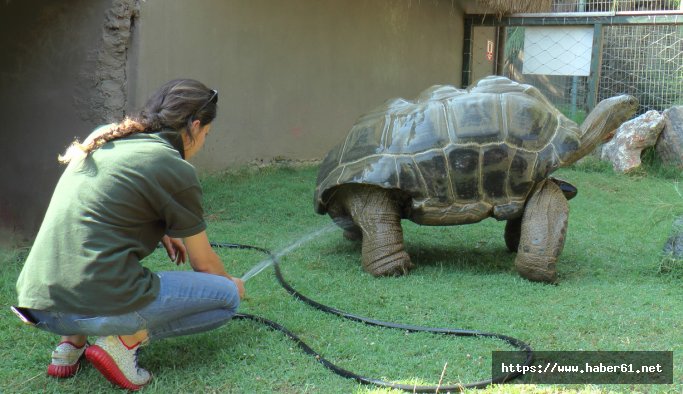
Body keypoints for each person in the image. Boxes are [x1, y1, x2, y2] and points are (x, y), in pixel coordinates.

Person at [14, 79, 245, 391]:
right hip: (93, 306)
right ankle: (123, 342)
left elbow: (97, 212)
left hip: (40, 305)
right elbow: (203, 265)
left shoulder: (102, 137)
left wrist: (161, 232)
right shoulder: (173, 166)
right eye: (206, 134)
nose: (204, 141)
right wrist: (231, 282)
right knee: (225, 298)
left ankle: (70, 345)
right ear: (195, 125)